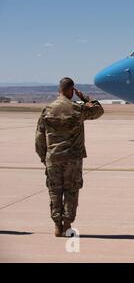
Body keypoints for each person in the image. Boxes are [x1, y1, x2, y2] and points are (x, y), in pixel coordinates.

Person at [35, 77, 104, 237]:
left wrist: (43, 157)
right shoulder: (77, 109)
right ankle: (67, 224)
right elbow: (98, 110)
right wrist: (85, 98)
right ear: (71, 90)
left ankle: (57, 225)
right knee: (71, 191)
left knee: (55, 191)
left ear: (59, 90)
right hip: (72, 158)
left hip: (53, 158)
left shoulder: (47, 110)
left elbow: (39, 138)